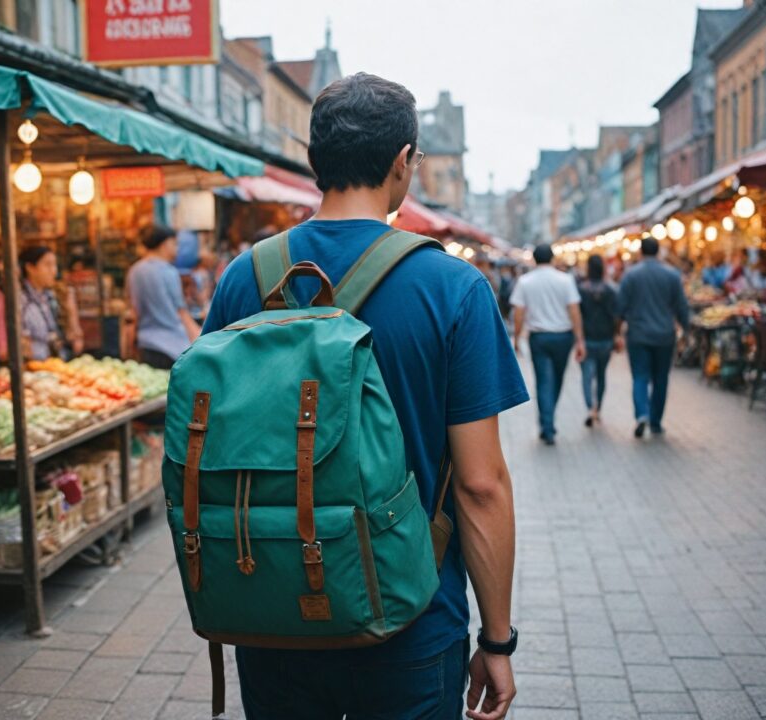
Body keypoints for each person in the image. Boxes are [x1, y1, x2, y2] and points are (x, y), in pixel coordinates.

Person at [203, 73, 527, 720]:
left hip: (272, 603)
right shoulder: (452, 287)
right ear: (403, 162)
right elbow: (480, 485)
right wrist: (497, 637)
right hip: (410, 616)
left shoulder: (246, 276)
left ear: (313, 159)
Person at [510, 244, 586, 445]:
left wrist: (516, 339)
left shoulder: (525, 281)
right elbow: (574, 310)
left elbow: (518, 313)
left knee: (543, 380)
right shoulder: (565, 280)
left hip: (538, 338)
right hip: (563, 337)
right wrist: (579, 340)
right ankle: (548, 423)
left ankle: (547, 424)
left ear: (534, 260)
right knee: (558, 378)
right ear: (552, 258)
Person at [617, 237, 690, 438]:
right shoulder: (672, 275)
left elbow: (620, 306)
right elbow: (681, 306)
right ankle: (656, 421)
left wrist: (618, 330)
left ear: (641, 252)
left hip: (638, 334)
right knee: (661, 378)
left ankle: (642, 413)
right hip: (665, 335)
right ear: (658, 252)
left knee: (640, 376)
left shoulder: (631, 275)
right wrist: (686, 328)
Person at [126, 225, 200, 369]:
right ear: (165, 244)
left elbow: (134, 312)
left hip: (146, 345)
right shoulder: (169, 272)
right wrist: (199, 337)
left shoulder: (134, 271)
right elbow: (181, 311)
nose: (177, 249)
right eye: (175, 243)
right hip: (172, 346)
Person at [578, 255, 620, 427]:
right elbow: (616, 316)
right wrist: (617, 335)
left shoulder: (581, 290)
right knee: (601, 375)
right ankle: (598, 408)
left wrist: (578, 338)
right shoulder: (611, 290)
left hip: (587, 339)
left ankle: (590, 408)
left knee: (587, 376)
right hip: (605, 339)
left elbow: (577, 316)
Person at [19, 246, 67, 361]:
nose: (54, 270)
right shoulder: (21, 300)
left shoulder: (51, 296)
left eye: (54, 265)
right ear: (30, 268)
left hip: (53, 362)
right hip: (35, 366)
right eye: (47, 265)